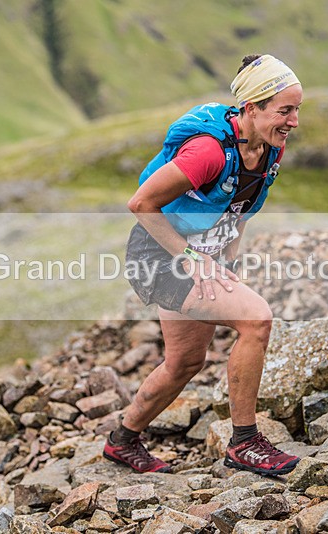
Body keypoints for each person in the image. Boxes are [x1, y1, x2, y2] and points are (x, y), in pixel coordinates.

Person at [103, 54, 302, 475]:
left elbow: (240, 207)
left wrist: (226, 257)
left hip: (197, 257)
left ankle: (122, 440)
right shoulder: (207, 152)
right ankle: (245, 442)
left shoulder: (268, 148)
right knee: (256, 320)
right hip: (159, 257)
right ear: (252, 108)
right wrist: (192, 259)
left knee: (184, 363)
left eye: (297, 110)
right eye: (284, 110)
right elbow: (141, 204)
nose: (294, 121)